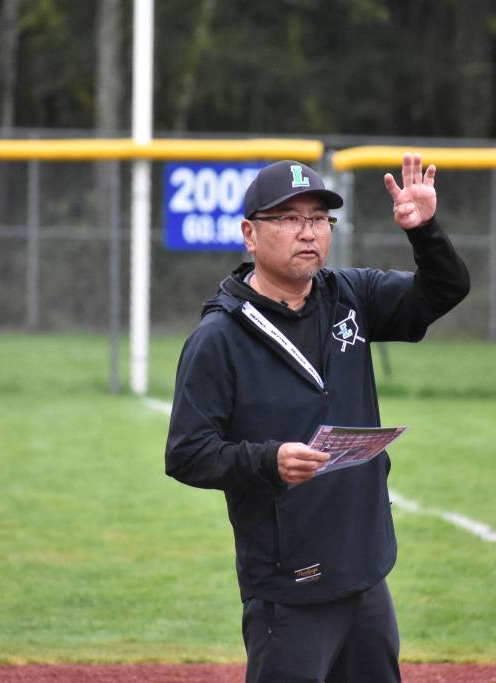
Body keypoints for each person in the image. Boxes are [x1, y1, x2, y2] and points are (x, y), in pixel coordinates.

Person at [164, 154, 470, 682]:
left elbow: (443, 291)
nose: (307, 232)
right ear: (249, 234)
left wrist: (425, 233)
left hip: (366, 572)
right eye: (287, 219)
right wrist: (269, 460)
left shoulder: (349, 295)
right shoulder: (219, 338)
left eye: (318, 219)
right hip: (290, 590)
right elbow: (186, 453)